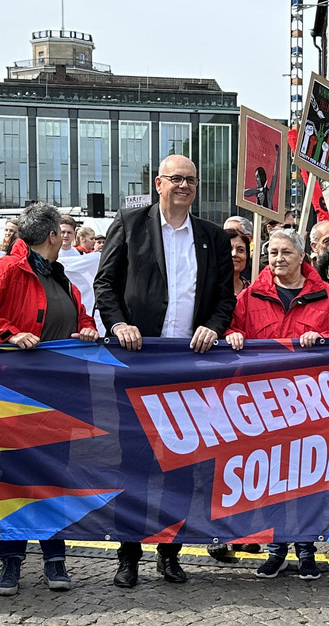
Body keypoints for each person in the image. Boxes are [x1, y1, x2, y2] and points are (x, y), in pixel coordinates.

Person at [94, 154, 236, 587]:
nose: (184, 186)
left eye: (191, 180)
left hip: (189, 367)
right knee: (132, 462)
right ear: (158, 183)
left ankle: (170, 553)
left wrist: (212, 328)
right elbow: (105, 283)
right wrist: (118, 323)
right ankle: (127, 556)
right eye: (176, 179)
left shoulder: (212, 236)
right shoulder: (130, 223)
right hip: (137, 363)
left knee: (183, 463)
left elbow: (225, 300)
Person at [0, 203, 98, 596]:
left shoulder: (59, 275)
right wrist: (7, 333)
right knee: (14, 479)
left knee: (56, 476)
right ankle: (11, 562)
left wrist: (85, 328)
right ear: (52, 234)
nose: (65, 237)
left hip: (57, 393)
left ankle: (55, 559)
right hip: (15, 395)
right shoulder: (6, 270)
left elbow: (79, 316)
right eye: (62, 232)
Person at [222, 228, 329, 580]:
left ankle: (306, 547)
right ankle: (277, 547)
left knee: (309, 477)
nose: (278, 259)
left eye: (285, 252)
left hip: (311, 402)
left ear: (301, 257)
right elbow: (231, 329)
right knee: (273, 477)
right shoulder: (250, 297)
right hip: (266, 404)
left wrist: (325, 336)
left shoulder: (325, 295)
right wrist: (232, 334)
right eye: (272, 253)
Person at [226, 227, 252, 295]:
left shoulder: (251, 290)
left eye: (240, 250)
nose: (234, 254)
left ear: (246, 255)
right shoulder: (206, 288)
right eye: (229, 249)